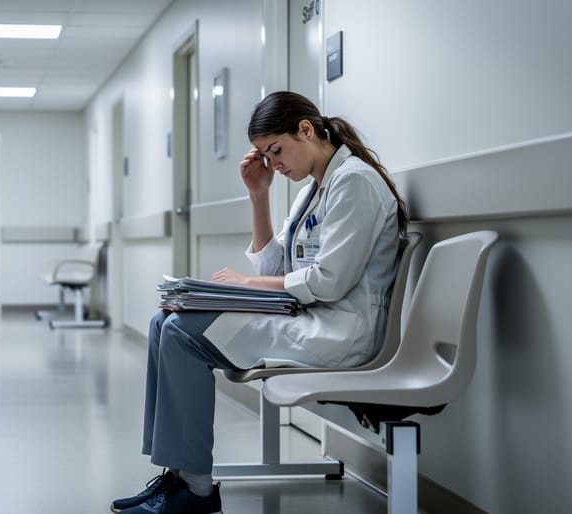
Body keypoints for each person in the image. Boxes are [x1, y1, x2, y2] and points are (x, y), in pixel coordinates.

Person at [110, 91, 408, 514]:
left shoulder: (353, 181)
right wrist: (258, 194)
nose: (274, 163)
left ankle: (195, 490)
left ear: (306, 129)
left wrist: (248, 282)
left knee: (180, 332)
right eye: (266, 154)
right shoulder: (315, 189)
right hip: (308, 319)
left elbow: (328, 283)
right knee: (166, 320)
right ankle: (177, 476)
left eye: (276, 150)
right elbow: (278, 262)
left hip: (340, 332)